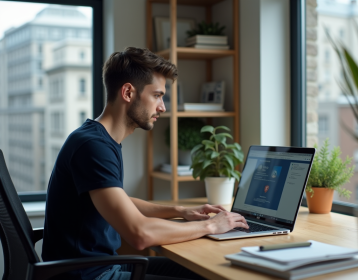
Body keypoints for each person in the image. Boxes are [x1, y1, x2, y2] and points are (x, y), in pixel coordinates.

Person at [41, 47, 249, 280]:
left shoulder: (97, 139)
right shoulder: (92, 146)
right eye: (157, 95)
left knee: (207, 271)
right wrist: (211, 226)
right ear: (128, 92)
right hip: (88, 275)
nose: (162, 107)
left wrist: (180, 211)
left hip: (99, 266)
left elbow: (119, 202)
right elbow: (140, 234)